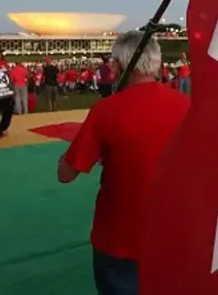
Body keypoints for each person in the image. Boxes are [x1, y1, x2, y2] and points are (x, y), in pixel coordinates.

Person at [58, 31, 190, 295]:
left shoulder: (107, 111)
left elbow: (66, 173)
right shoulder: (187, 105)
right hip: (175, 233)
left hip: (118, 238)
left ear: (118, 66)